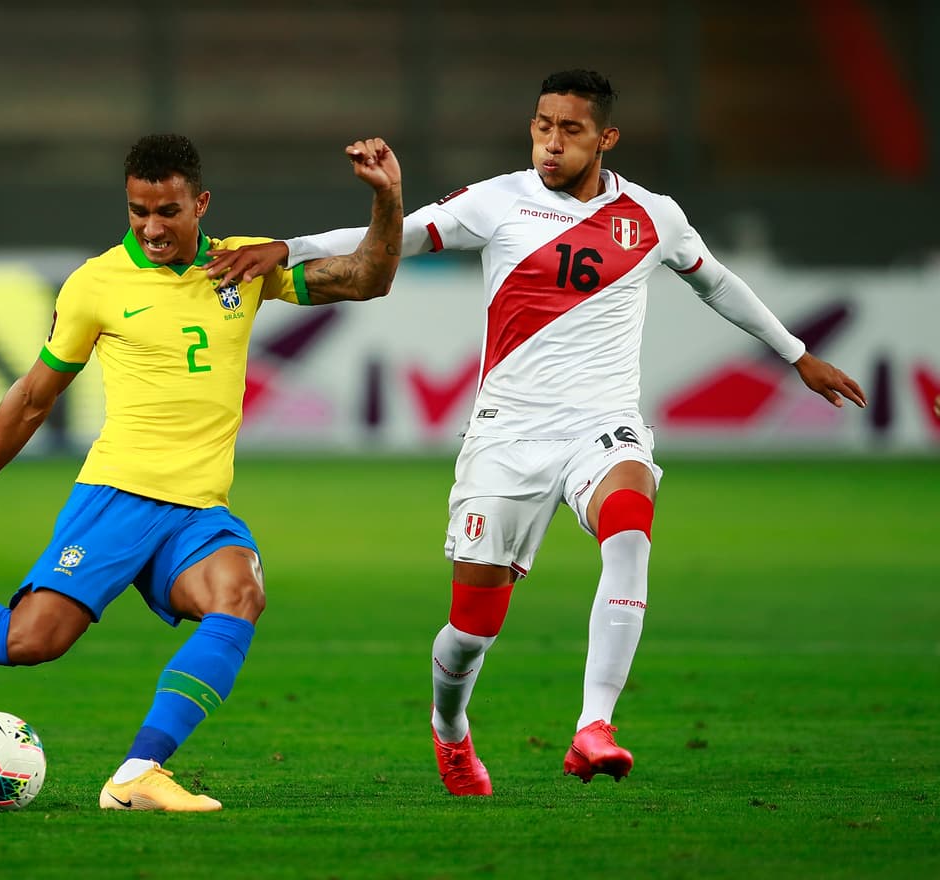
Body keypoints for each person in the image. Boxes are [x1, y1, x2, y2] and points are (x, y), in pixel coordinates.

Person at [204, 69, 866, 793]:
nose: (551, 143)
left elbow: (716, 281)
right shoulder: (498, 201)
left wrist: (798, 355)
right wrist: (287, 247)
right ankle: (449, 728)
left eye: (570, 130)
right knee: (471, 633)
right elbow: (403, 235)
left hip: (602, 425)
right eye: (542, 126)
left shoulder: (654, 217)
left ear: (605, 138)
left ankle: (594, 725)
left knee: (630, 525)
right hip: (507, 436)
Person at [0, 133, 404, 812]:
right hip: (118, 498)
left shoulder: (240, 264)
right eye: (137, 211)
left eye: (168, 211)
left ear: (200, 203)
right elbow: (33, 397)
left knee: (238, 595)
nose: (152, 227)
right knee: (30, 641)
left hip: (198, 511)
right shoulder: (97, 285)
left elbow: (369, 278)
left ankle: (137, 772)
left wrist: (385, 197)